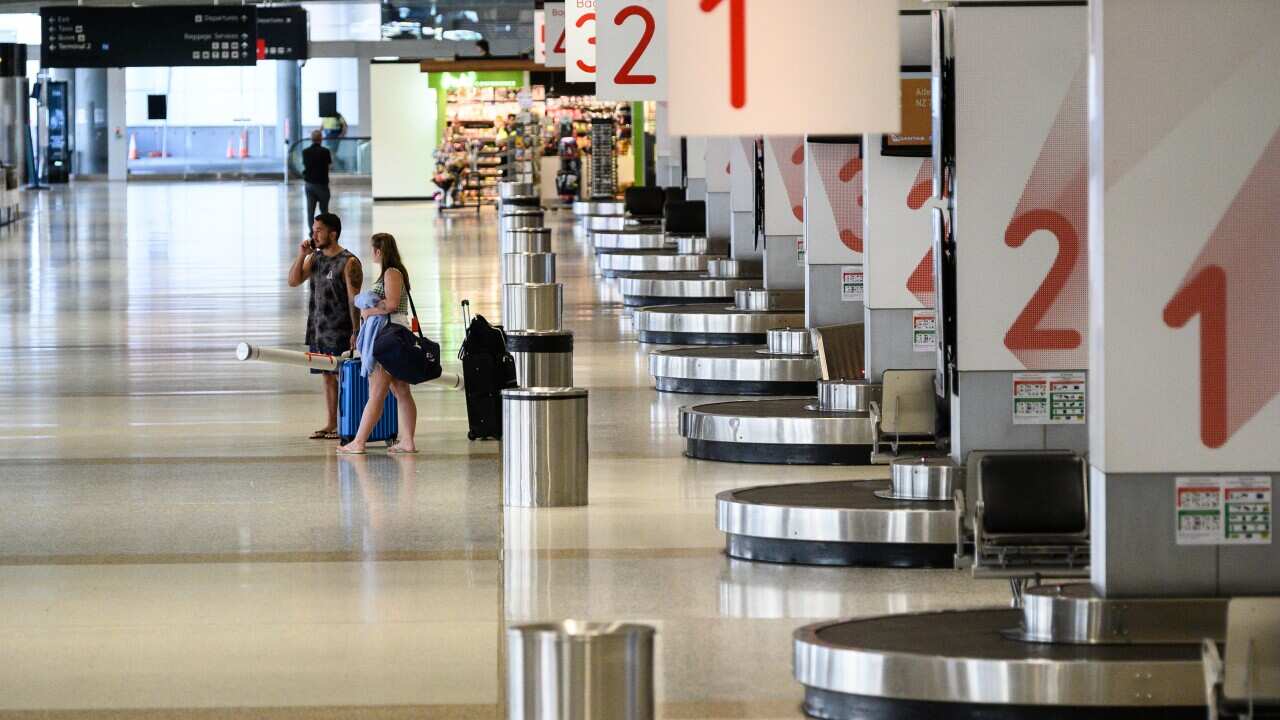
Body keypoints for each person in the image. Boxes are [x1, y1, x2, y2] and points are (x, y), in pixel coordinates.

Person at [337, 233, 418, 455]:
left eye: (373, 249)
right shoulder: (393, 272)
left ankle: (359, 441)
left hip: (386, 339)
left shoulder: (392, 273)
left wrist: (368, 310)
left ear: (379, 251)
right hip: (394, 337)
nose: (371, 253)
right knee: (401, 390)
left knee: (377, 393)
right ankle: (408, 441)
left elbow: (391, 305)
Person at [287, 213, 362, 441]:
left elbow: (354, 300)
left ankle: (347, 423)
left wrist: (356, 331)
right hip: (319, 328)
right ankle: (331, 422)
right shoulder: (316, 259)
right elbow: (293, 280)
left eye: (318, 230)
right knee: (326, 376)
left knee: (343, 376)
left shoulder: (349, 262)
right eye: (313, 230)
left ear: (333, 233)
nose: (314, 234)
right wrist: (302, 255)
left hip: (341, 330)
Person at [302, 130, 332, 237]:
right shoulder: (325, 151)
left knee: (310, 210)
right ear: (321, 139)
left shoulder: (305, 152)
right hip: (322, 184)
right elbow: (329, 166)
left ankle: (312, 231)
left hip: (309, 184)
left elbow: (305, 165)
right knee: (324, 210)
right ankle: (324, 231)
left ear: (311, 139)